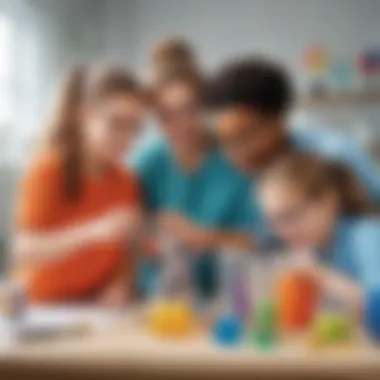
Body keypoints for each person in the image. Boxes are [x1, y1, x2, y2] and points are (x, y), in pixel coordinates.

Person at [132, 38, 254, 299]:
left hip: (219, 299)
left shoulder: (235, 164)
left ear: (206, 105)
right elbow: (131, 233)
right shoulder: (146, 163)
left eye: (190, 109)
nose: (181, 125)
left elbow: (257, 242)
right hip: (156, 300)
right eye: (167, 116)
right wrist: (148, 239)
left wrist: (203, 237)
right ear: (155, 117)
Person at [13, 65, 144, 305]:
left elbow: (126, 252)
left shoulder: (126, 181)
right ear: (84, 116)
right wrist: (94, 231)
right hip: (42, 308)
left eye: (134, 126)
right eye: (116, 123)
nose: (127, 138)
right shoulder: (47, 170)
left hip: (94, 311)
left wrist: (119, 286)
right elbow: (25, 250)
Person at [206, 57, 380, 206]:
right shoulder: (239, 172)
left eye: (245, 137)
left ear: (280, 121)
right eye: (226, 141)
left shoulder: (334, 156)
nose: (235, 153)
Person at [258, 153, 380, 311]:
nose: (281, 231)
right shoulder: (314, 247)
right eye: (273, 221)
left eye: (291, 216)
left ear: (329, 201)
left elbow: (376, 305)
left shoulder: (366, 236)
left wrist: (318, 274)